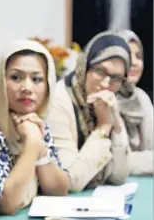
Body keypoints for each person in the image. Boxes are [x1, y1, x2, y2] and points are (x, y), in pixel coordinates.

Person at [0, 40, 70, 216]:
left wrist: (41, 150)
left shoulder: (33, 120)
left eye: (37, 79)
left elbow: (58, 191)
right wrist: (33, 144)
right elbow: (6, 203)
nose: (27, 88)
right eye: (16, 77)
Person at [46, 31, 132, 192]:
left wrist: (117, 124)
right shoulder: (59, 101)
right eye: (100, 71)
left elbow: (119, 175)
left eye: (116, 77)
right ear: (84, 67)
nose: (106, 83)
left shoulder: (107, 103)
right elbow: (71, 181)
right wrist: (103, 128)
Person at [116, 30, 153, 175]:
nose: (134, 62)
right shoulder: (106, 97)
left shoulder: (141, 97)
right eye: (127, 56)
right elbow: (115, 162)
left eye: (139, 56)